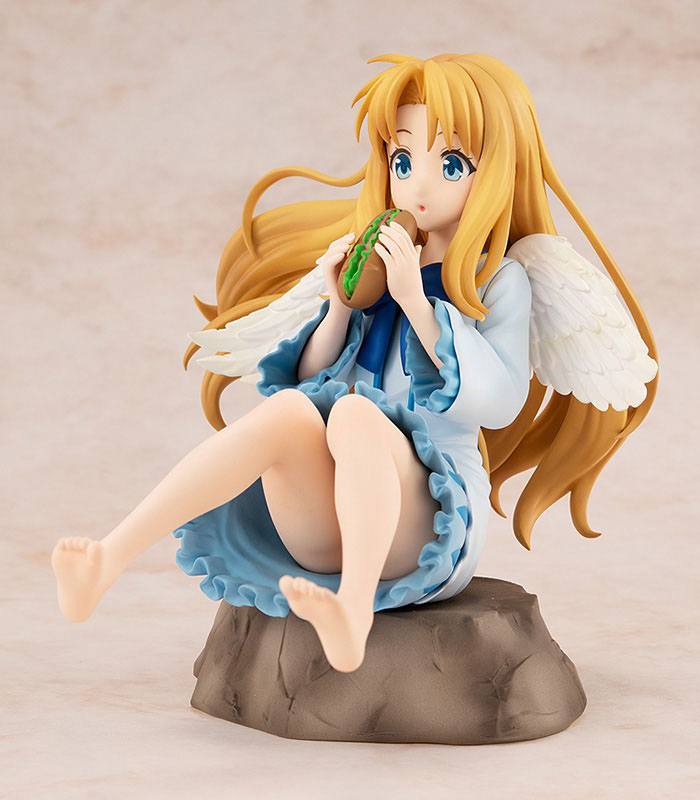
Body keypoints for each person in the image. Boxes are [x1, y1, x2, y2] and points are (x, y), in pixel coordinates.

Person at [51, 53, 658, 673]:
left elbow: (499, 401)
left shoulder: (499, 280)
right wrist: (340, 306)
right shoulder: (377, 269)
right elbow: (310, 381)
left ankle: (354, 609)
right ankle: (109, 557)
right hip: (331, 520)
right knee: (294, 410)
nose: (418, 187)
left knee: (357, 417)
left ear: (498, 170)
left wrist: (418, 303)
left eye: (451, 164)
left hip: (430, 527)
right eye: (403, 162)